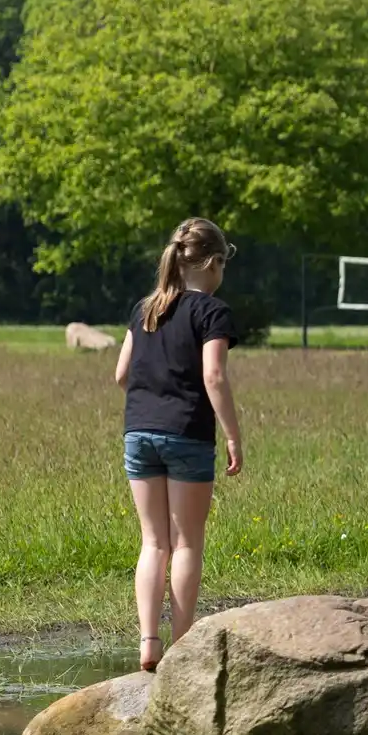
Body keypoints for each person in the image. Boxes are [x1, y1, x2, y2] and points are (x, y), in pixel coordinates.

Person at [113, 217, 242, 672]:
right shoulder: (212, 312)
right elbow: (214, 376)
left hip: (138, 432)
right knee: (186, 543)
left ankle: (148, 641)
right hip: (186, 433)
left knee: (153, 542)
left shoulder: (145, 308)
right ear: (213, 263)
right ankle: (182, 645)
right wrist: (233, 435)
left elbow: (121, 374)